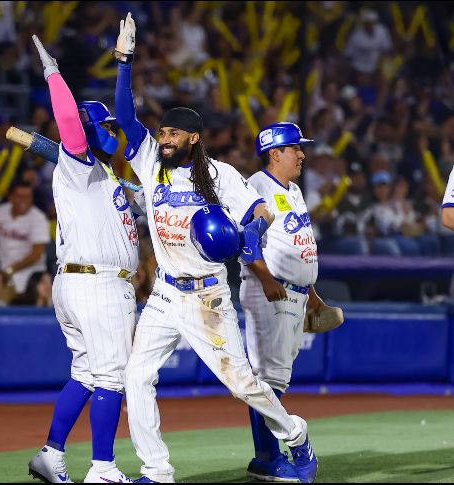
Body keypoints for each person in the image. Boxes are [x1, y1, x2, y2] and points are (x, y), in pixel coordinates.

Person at [113, 14, 317, 484]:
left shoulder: (220, 174)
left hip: (207, 297)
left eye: (172, 134)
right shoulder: (150, 163)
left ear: (193, 138)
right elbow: (126, 117)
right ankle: (156, 470)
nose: (164, 140)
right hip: (165, 294)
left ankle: (294, 430)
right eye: (162, 133)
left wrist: (245, 238)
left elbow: (261, 211)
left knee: (243, 385)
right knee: (136, 377)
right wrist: (125, 62)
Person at [27, 35, 139, 484]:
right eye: (107, 126)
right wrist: (55, 75)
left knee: (87, 373)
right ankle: (104, 469)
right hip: (97, 284)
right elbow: (70, 125)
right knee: (111, 376)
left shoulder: (101, 171)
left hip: (80, 283)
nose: (114, 131)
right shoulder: (75, 162)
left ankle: (51, 454)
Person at [240, 122, 327, 481]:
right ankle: (270, 457)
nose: (302, 154)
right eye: (295, 148)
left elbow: (296, 245)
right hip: (271, 291)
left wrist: (311, 293)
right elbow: (246, 240)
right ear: (275, 153)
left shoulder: (292, 189)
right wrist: (265, 278)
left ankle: (266, 457)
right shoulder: (257, 187)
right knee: (267, 379)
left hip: (294, 293)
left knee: (274, 379)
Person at [0, 181, 50, 294]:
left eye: (28, 197)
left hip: (31, 272)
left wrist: (10, 270)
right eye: (20, 197)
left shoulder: (39, 218)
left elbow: (37, 253)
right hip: (3, 268)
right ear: (11, 198)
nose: (24, 201)